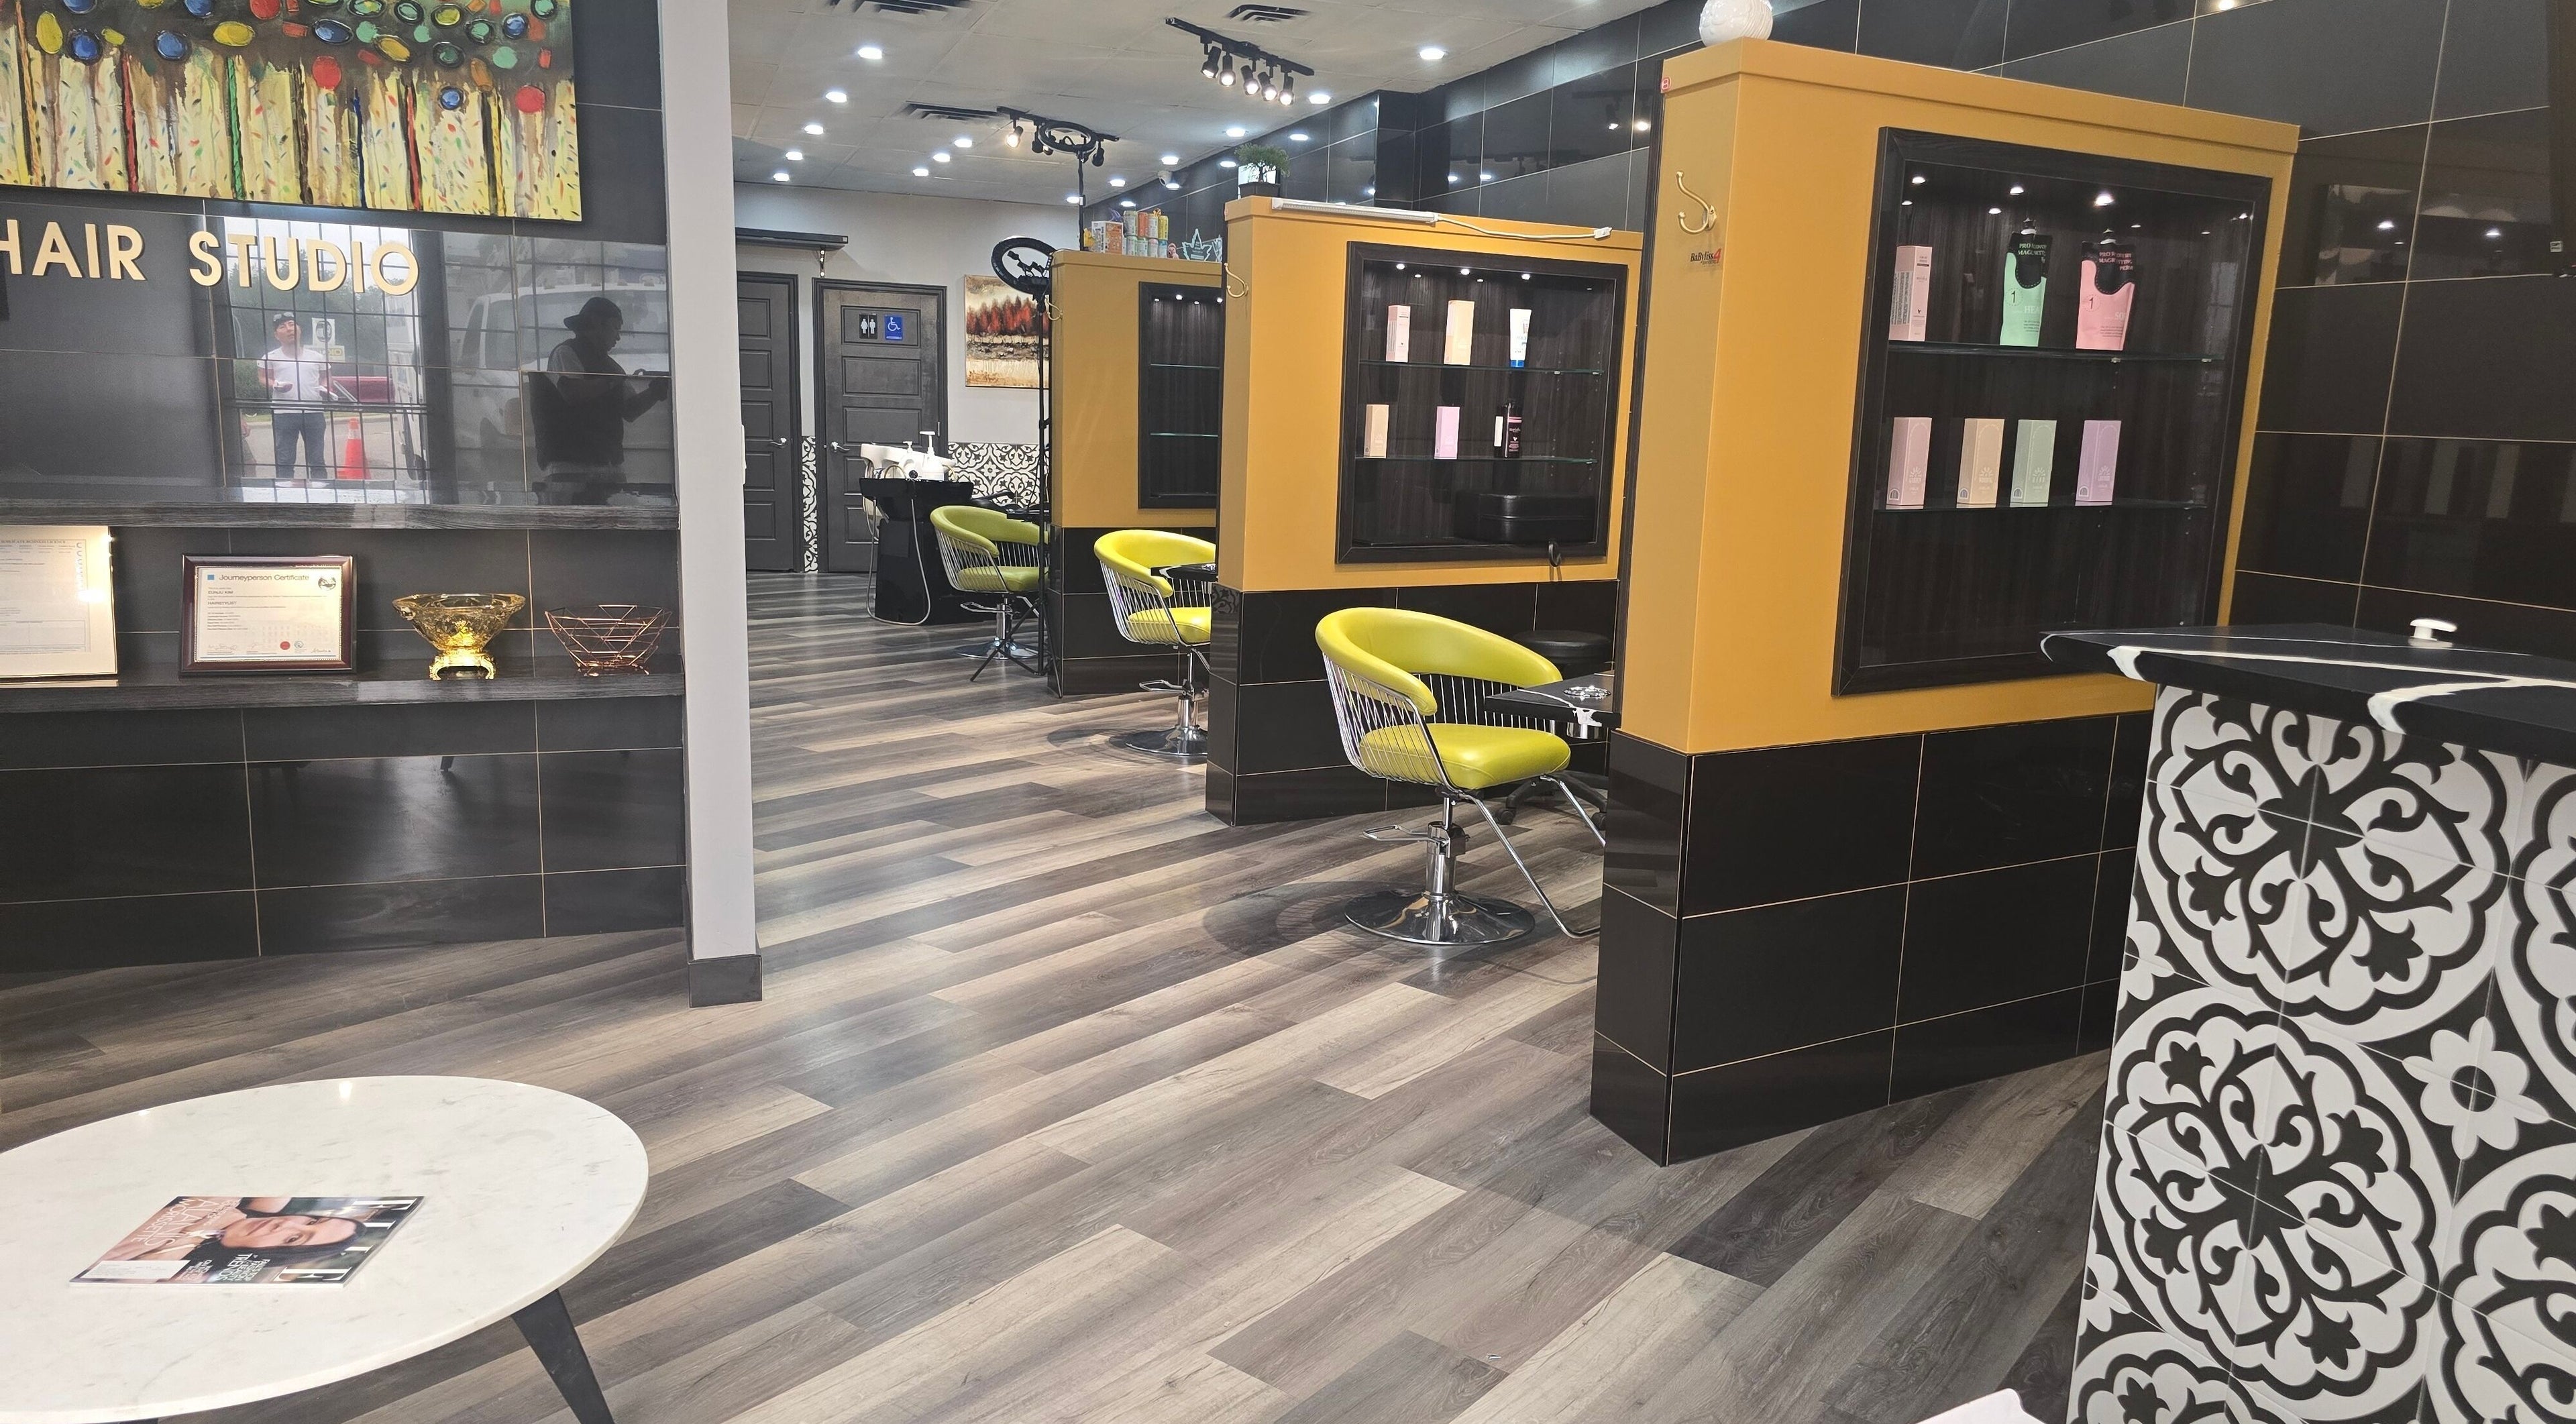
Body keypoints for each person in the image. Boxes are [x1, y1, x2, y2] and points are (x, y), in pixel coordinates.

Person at [529, 295, 668, 503]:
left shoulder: (612, 367)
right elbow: (573, 393)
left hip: (606, 466)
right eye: (615, 329)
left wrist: (655, 392)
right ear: (596, 325)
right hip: (569, 467)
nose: (618, 338)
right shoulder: (565, 353)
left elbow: (629, 410)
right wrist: (612, 382)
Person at [258, 314, 333, 481]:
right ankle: (285, 496)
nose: (289, 329)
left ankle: (322, 495)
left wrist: (326, 388)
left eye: (292, 324)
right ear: (276, 335)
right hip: (284, 413)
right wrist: (275, 384)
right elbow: (263, 377)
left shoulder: (317, 357)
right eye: (282, 327)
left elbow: (327, 377)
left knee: (317, 460)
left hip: (314, 412)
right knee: (285, 459)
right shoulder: (270, 357)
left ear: (299, 329)